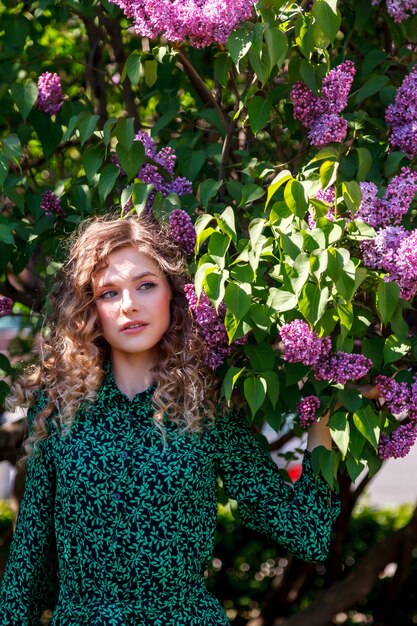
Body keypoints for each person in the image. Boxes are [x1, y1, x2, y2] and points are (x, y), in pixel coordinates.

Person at [0, 214, 340, 626]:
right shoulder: (58, 409)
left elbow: (305, 530)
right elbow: (30, 562)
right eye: (109, 293)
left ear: (172, 295)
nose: (129, 305)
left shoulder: (207, 407)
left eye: (146, 285)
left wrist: (326, 413)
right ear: (90, 309)